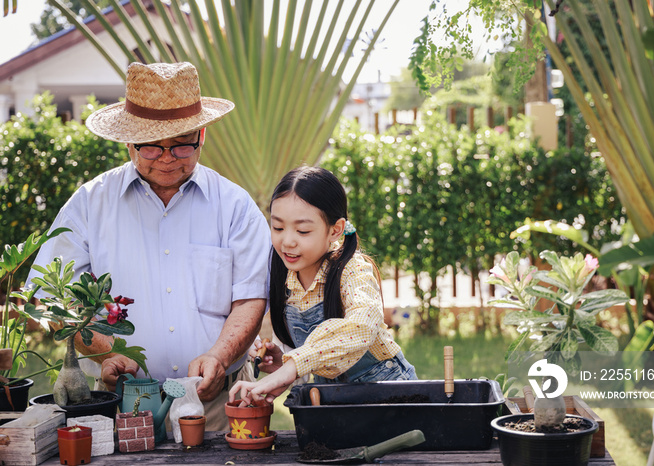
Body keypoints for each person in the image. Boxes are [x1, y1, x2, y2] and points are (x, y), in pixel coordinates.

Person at [28, 62, 270, 430]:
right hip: (118, 401)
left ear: (202, 135)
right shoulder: (91, 203)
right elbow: (50, 295)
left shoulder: (235, 206)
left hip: (218, 406)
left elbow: (250, 298)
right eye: (152, 149)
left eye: (182, 145)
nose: (169, 158)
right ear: (128, 143)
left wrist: (219, 357)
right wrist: (106, 354)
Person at [228, 166, 417, 406]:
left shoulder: (353, 270)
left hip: (391, 400)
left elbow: (362, 324)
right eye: (277, 227)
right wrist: (284, 365)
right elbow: (317, 361)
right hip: (333, 404)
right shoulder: (284, 277)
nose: (287, 241)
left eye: (303, 230)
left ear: (335, 230)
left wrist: (295, 364)